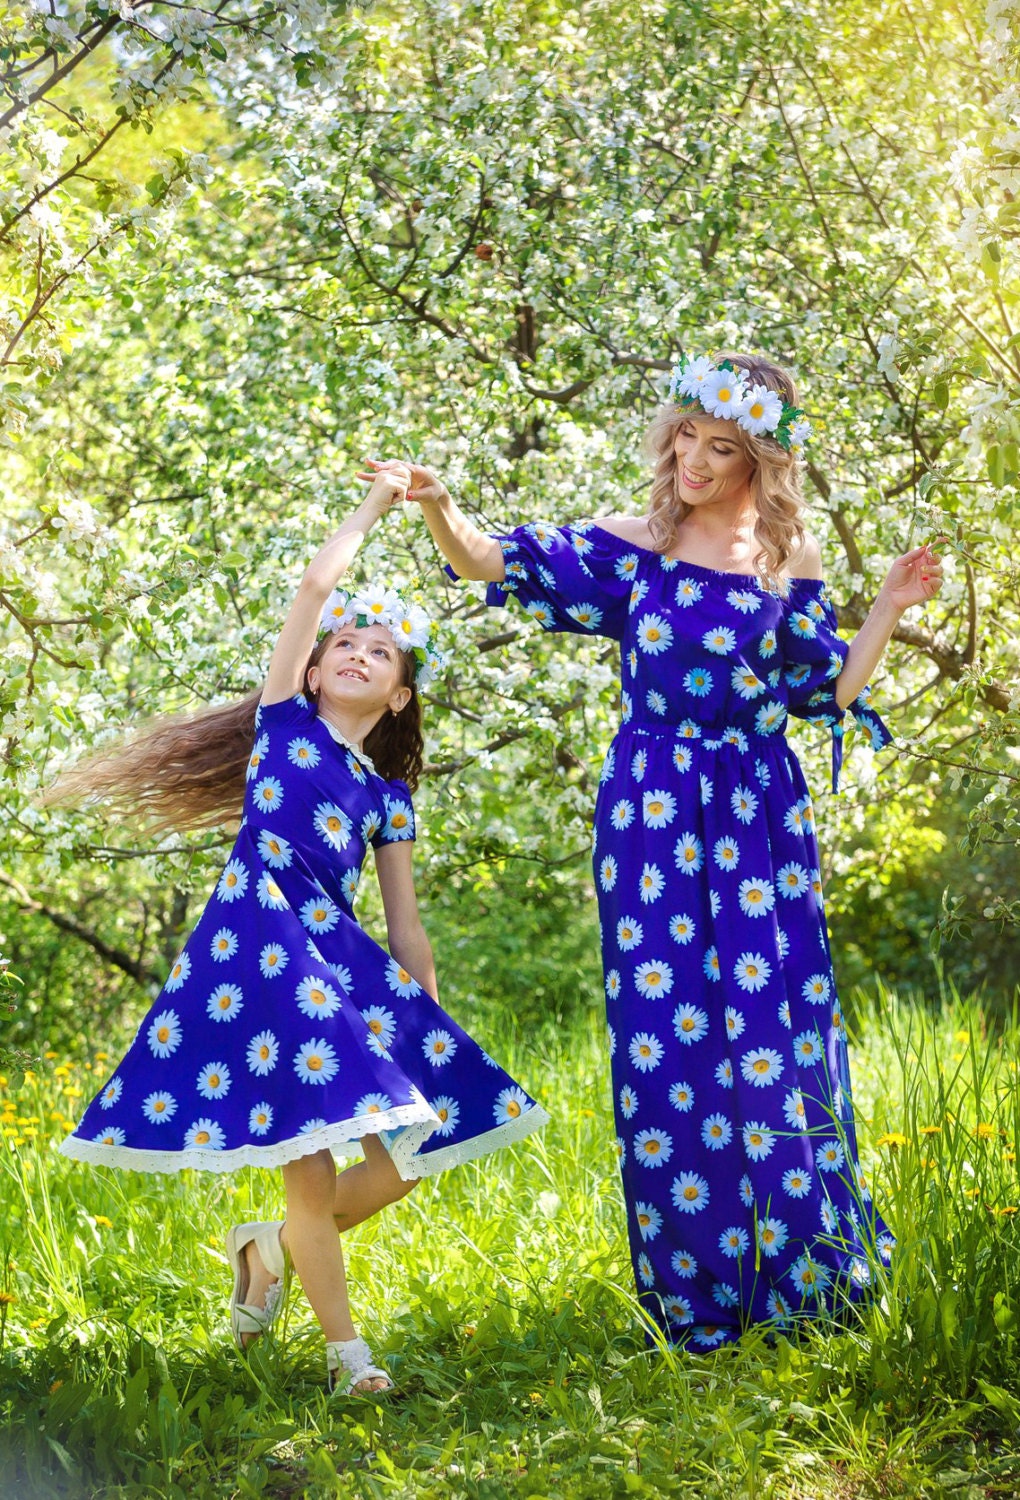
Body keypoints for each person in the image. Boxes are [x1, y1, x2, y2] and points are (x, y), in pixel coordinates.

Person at [368, 352, 945, 1346]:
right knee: (669, 1038)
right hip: (654, 811)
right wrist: (438, 505)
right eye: (689, 435)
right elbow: (488, 561)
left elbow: (826, 692)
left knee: (776, 1029)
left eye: (724, 448)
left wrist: (887, 607)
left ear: (762, 457)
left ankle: (807, 1273)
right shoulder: (636, 546)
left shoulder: (788, 554)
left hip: (760, 809)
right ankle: (696, 1290)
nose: (697, 460)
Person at [51, 463, 548, 1392]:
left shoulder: (388, 795)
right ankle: (345, 1356)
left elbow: (405, 927)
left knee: (407, 1159)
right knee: (313, 1166)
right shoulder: (283, 726)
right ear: (314, 669)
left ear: (400, 694)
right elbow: (314, 587)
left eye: (382, 652)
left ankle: (267, 1249)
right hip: (261, 947)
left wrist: (425, 1027)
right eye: (346, 645)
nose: (359, 653)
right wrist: (374, 504)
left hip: (334, 957)